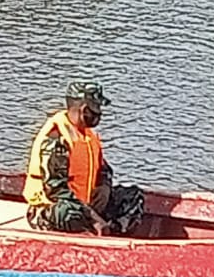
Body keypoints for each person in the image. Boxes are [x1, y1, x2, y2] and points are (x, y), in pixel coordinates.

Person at [23, 82, 144, 235]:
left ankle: (111, 234)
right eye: (96, 109)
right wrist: (93, 217)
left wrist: (104, 186)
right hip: (53, 207)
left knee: (133, 197)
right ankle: (92, 229)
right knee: (68, 213)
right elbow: (56, 191)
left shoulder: (88, 136)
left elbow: (104, 168)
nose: (99, 114)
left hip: (87, 203)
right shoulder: (56, 139)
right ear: (84, 110)